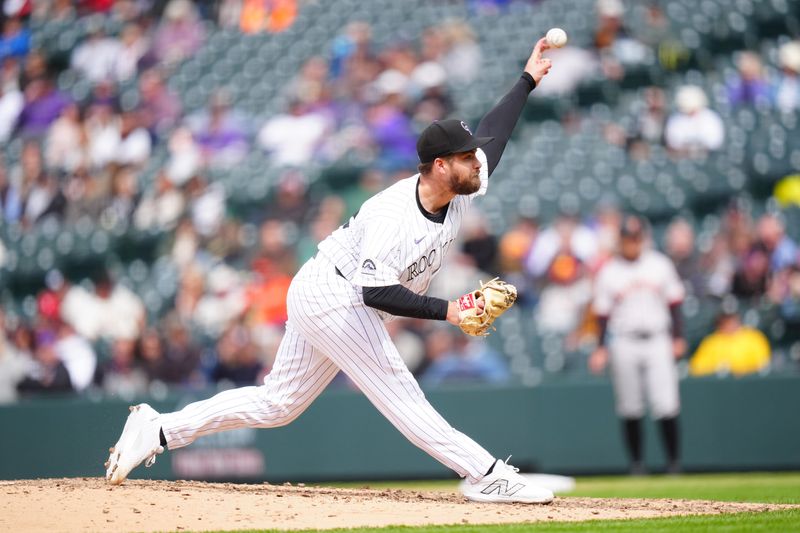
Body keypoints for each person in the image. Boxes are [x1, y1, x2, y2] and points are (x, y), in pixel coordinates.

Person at [105, 37, 556, 504]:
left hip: (328, 288)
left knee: (278, 403)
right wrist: (452, 311)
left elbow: (493, 136)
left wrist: (526, 80)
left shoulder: (461, 186)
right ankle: (486, 474)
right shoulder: (393, 216)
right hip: (336, 295)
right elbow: (375, 294)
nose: (476, 163)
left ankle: (158, 429)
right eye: (465, 157)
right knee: (403, 397)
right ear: (439, 166)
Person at [589, 215, 686, 475]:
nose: (632, 243)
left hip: (657, 338)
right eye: (627, 239)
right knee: (629, 405)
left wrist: (678, 337)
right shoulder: (609, 271)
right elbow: (602, 314)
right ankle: (637, 464)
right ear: (620, 241)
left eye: (635, 238)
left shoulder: (659, 264)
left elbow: (675, 304)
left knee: (666, 403)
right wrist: (601, 347)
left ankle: (673, 463)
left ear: (642, 238)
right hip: (624, 341)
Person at [689, 308, 771, 377]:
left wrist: (740, 370)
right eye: (726, 321)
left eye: (732, 320)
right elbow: (697, 368)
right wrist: (716, 369)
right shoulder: (711, 342)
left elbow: (763, 365)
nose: (730, 324)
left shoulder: (753, 338)